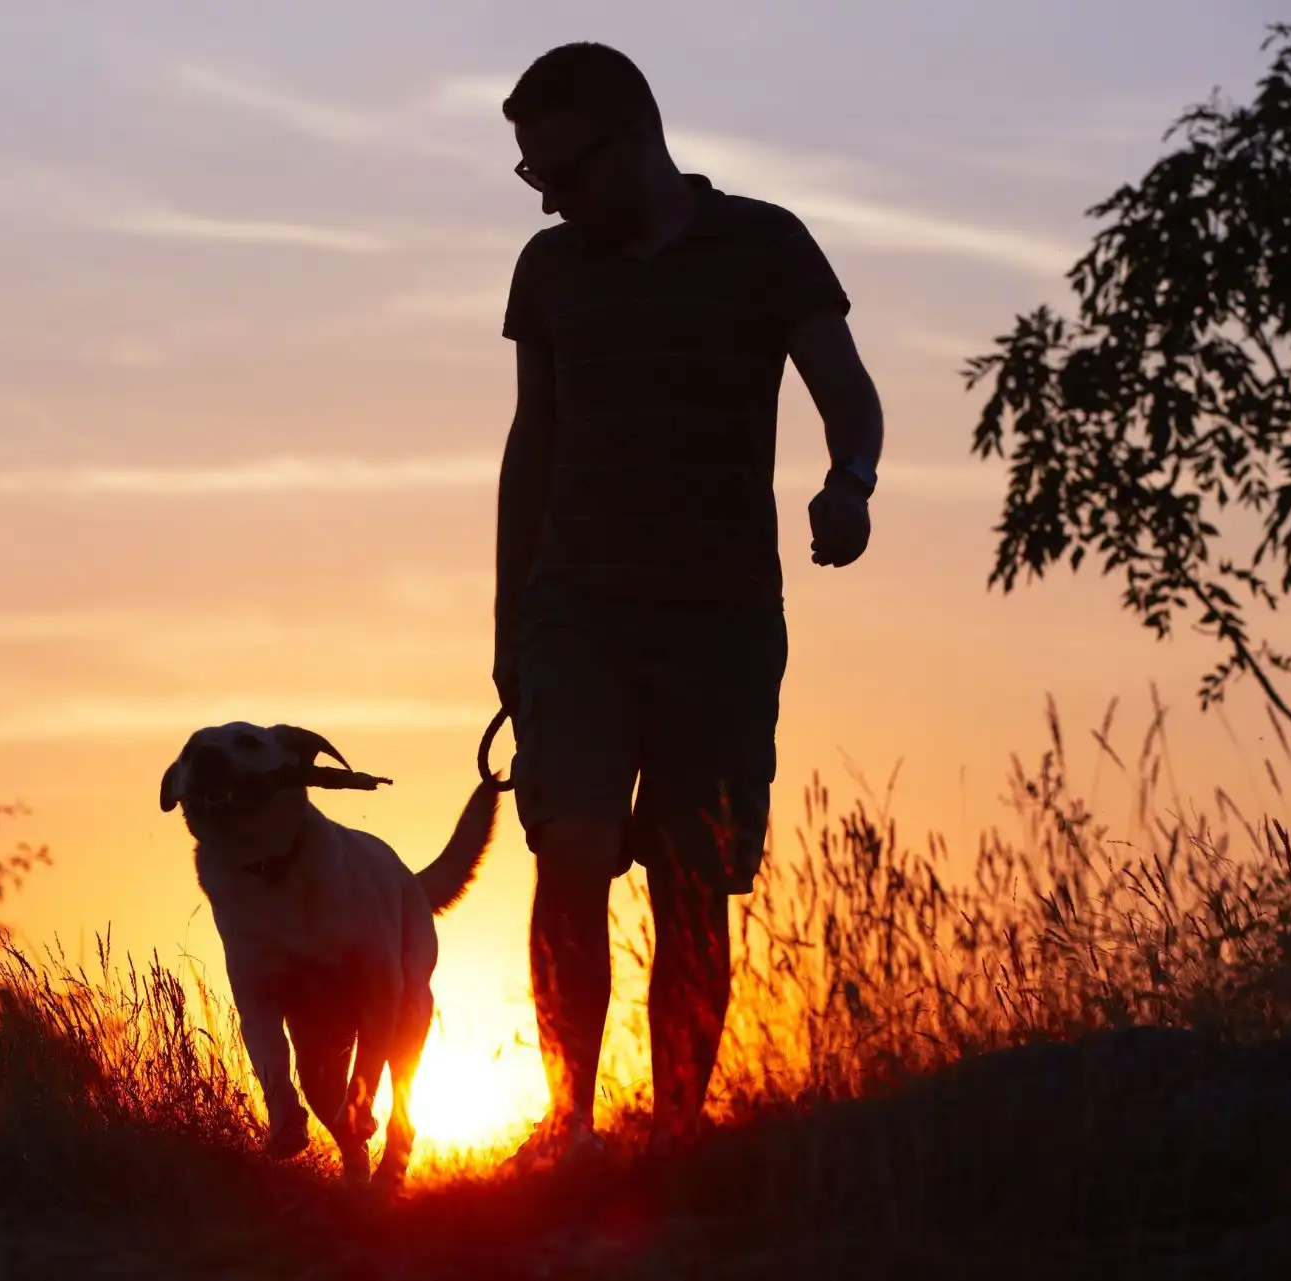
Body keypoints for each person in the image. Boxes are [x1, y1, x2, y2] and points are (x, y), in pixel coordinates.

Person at [493, 42, 883, 1171]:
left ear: (634, 135)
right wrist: (509, 630)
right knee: (567, 848)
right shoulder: (549, 268)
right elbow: (534, 444)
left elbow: (848, 393)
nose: (549, 196)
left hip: (719, 619)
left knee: (690, 876)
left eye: (560, 168)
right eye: (532, 178)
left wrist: (848, 482)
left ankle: (675, 1140)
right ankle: (567, 1128)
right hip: (572, 612)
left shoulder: (766, 245)